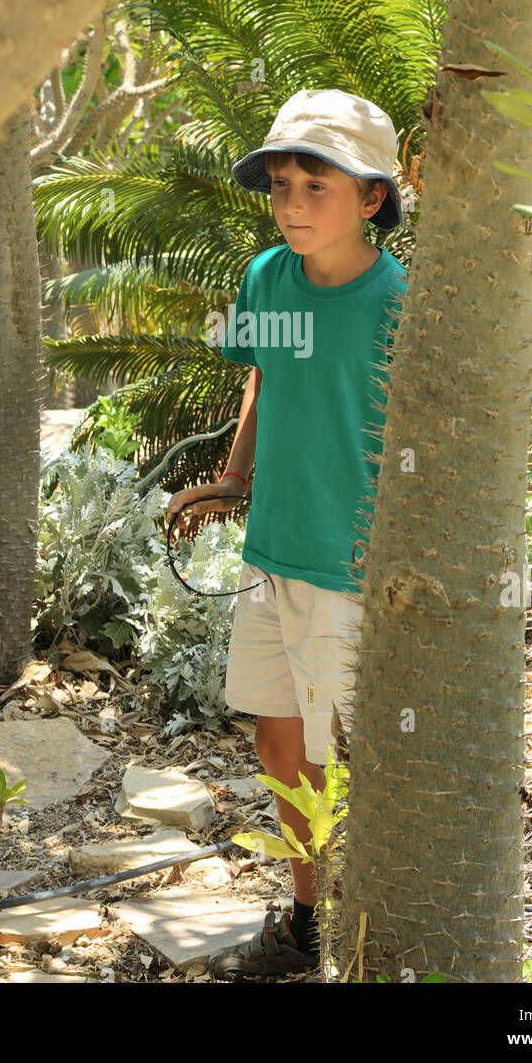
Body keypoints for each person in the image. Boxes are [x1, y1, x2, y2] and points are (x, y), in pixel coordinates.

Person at [166, 88, 408, 978]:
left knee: (348, 749)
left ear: (371, 197)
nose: (294, 204)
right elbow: (263, 378)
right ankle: (307, 922)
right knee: (279, 744)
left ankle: (371, 929)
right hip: (273, 555)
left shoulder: (403, 305)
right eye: (281, 186)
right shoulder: (267, 275)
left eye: (318, 185)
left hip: (350, 572)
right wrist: (234, 479)